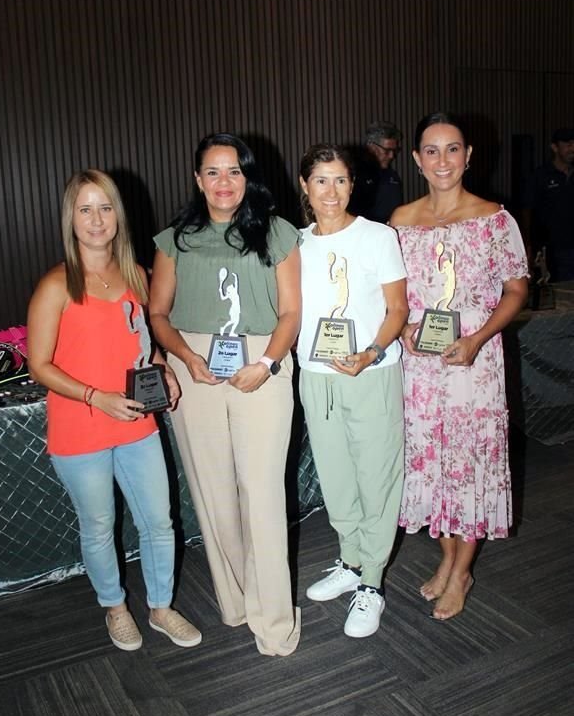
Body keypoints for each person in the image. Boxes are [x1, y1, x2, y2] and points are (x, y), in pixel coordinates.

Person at [27, 169, 201, 652]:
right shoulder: (56, 285)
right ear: (71, 218)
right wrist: (94, 396)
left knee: (159, 522)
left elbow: (144, 342)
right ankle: (115, 608)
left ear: (117, 215)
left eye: (104, 207)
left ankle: (161, 607)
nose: (97, 219)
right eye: (85, 209)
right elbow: (38, 365)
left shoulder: (136, 277)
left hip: (137, 424)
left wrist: (163, 368)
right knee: (100, 526)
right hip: (79, 430)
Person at [149, 133, 301, 656]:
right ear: (197, 179)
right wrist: (186, 358)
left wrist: (267, 362)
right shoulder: (175, 239)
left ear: (249, 176)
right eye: (212, 172)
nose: (223, 182)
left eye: (234, 171)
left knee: (261, 492)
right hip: (195, 367)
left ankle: (275, 620)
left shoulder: (278, 232)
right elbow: (158, 314)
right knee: (212, 492)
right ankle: (235, 603)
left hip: (263, 360)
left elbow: (291, 313)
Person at [390, 112, 528, 621]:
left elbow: (516, 291)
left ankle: (463, 571)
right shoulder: (401, 221)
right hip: (420, 367)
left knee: (469, 464)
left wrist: (478, 338)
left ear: (469, 156)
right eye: (431, 150)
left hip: (474, 359)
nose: (442, 160)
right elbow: (392, 296)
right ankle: (448, 561)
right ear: (417, 159)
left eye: (452, 150)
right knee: (430, 462)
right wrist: (400, 327)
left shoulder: (495, 219)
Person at [298, 144, 408, 638]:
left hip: (369, 374)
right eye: (321, 180)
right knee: (337, 476)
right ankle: (348, 560)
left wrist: (371, 353)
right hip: (317, 376)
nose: (331, 191)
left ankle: (372, 582)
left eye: (340, 180)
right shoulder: (293, 244)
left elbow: (398, 310)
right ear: (305, 186)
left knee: (376, 476)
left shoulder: (378, 237)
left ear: (353, 184)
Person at [521, 127, 574, 281]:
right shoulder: (540, 176)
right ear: (554, 147)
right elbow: (526, 210)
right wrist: (528, 244)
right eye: (568, 144)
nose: (573, 149)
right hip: (553, 249)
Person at [349, 121, 403, 223]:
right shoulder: (354, 175)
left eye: (394, 151)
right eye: (387, 151)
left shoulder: (392, 177)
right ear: (371, 147)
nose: (392, 156)